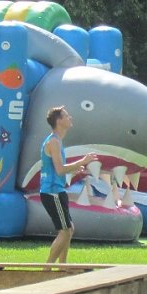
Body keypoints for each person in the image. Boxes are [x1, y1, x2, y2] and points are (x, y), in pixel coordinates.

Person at [39, 106, 98, 265]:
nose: (70, 118)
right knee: (65, 231)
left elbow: (57, 169)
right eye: (66, 116)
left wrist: (76, 170)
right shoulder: (53, 141)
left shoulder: (57, 141)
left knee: (69, 229)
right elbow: (59, 169)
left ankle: (63, 267)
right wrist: (82, 161)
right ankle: (47, 270)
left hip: (56, 191)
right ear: (59, 121)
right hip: (52, 192)